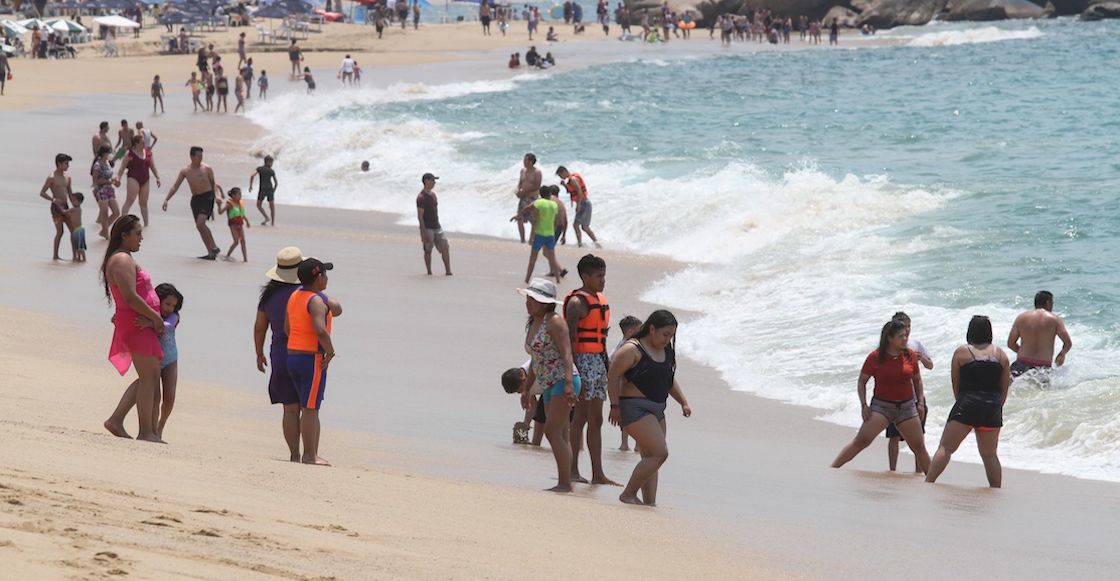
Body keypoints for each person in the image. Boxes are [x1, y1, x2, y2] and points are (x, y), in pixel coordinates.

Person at [607, 310, 691, 506]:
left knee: (650, 457)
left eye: (671, 335)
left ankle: (649, 504)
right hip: (635, 408)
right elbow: (613, 376)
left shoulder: (666, 350)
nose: (667, 339)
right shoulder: (632, 349)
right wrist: (614, 406)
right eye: (665, 334)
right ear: (651, 329)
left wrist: (683, 402)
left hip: (658, 410)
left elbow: (668, 380)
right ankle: (628, 493)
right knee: (660, 453)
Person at [831, 319, 931, 473]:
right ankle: (832, 469)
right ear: (890, 338)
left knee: (919, 447)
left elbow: (917, 381)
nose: (905, 339)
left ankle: (932, 481)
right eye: (901, 336)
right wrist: (864, 405)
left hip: (906, 407)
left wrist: (920, 403)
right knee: (862, 440)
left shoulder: (910, 355)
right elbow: (861, 382)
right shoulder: (875, 357)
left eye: (905, 335)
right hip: (881, 407)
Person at [101, 215, 166, 443]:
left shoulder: (124, 258)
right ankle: (146, 431)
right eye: (137, 233)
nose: (141, 238)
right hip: (137, 323)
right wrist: (155, 316)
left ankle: (117, 420)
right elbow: (130, 296)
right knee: (149, 377)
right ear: (124, 235)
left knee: (149, 376)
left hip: (139, 322)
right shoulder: (121, 260)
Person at [926, 316, 1010, 487]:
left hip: (968, 403)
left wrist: (962, 403)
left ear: (970, 331)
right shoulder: (1001, 355)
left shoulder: (962, 352)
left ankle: (929, 482)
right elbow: (1004, 388)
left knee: (946, 448)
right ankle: (995, 490)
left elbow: (955, 383)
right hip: (992, 406)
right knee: (990, 455)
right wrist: (996, 406)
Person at [519, 278, 581, 492]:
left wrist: (568, 384)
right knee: (560, 434)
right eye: (528, 298)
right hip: (547, 383)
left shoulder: (554, 321)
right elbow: (537, 359)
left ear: (547, 303)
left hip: (564, 381)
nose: (529, 302)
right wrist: (527, 388)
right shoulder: (533, 321)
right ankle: (565, 480)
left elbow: (566, 353)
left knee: (552, 432)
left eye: (534, 299)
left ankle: (565, 483)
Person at [564, 254, 617, 485]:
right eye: (598, 276)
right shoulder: (577, 304)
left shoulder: (600, 300)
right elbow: (569, 339)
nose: (603, 281)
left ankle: (598, 474)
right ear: (585, 277)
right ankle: (573, 469)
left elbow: (602, 339)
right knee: (580, 418)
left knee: (596, 420)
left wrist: (607, 365)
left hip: (597, 361)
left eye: (604, 276)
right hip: (582, 362)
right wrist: (574, 371)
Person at [286, 258, 343, 466]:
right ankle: (310, 455)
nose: (327, 278)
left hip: (292, 355)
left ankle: (308, 453)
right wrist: (330, 352)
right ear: (318, 278)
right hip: (311, 358)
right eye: (325, 275)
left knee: (305, 406)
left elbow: (287, 328)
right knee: (311, 408)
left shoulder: (295, 296)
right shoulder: (316, 302)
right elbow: (320, 330)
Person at [255, 247, 307, 461]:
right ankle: (309, 453)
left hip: (279, 355)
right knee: (308, 409)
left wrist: (259, 354)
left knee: (290, 409)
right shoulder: (305, 293)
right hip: (304, 353)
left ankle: (294, 454)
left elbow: (259, 327)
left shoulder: (268, 295)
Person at [885, 311, 934, 472]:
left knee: (918, 435)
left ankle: (918, 470)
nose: (906, 330)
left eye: (909, 326)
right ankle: (892, 469)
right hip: (894, 396)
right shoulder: (888, 346)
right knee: (893, 435)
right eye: (903, 326)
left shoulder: (915, 344)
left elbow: (930, 365)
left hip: (914, 396)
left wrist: (921, 358)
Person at [163, 146, 225, 260]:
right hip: (196, 199)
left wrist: (217, 196)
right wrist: (167, 199)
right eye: (198, 156)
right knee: (199, 226)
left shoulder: (207, 168)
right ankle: (211, 253)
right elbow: (175, 186)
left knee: (200, 223)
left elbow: (213, 184)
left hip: (207, 196)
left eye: (202, 156)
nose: (200, 158)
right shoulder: (185, 171)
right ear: (191, 156)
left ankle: (214, 246)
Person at [1007, 290, 1072, 379]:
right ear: (1048, 302)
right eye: (1052, 303)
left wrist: (1023, 353)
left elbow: (1010, 343)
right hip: (1042, 368)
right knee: (1042, 393)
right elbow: (1068, 343)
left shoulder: (1021, 318)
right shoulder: (1055, 320)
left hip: (1021, 364)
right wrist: (1062, 354)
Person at [513, 186, 565, 284]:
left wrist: (518, 215)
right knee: (552, 258)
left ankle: (527, 279)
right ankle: (558, 280)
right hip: (550, 235)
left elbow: (527, 208)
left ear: (540, 194)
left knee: (533, 259)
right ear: (550, 194)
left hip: (539, 234)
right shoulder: (554, 205)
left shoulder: (539, 202)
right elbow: (557, 222)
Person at [611, 315, 643, 451]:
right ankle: (633, 444)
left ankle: (625, 443)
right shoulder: (628, 346)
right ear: (630, 332)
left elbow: (610, 359)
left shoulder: (621, 344)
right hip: (625, 386)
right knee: (633, 416)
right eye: (640, 329)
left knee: (626, 416)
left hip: (621, 386)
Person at [116, 135, 162, 227]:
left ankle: (146, 225)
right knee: (130, 201)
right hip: (133, 178)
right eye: (142, 143)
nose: (144, 144)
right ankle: (123, 223)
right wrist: (118, 178)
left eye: (144, 142)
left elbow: (153, 166)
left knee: (144, 203)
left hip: (145, 179)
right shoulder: (129, 154)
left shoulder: (148, 152)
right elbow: (122, 167)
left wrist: (158, 177)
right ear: (136, 144)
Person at [39, 153, 78, 261]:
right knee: (60, 232)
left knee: (73, 231)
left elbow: (70, 194)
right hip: (56, 208)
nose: (68, 166)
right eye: (66, 163)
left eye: (68, 163)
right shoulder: (51, 177)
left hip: (66, 206)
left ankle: (74, 256)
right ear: (59, 164)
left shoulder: (67, 177)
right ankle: (55, 256)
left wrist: (75, 205)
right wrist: (53, 199)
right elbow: (42, 192)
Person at [416, 173, 452, 276]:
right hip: (427, 228)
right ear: (426, 181)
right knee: (428, 250)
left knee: (445, 247)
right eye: (432, 180)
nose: (434, 183)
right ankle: (429, 271)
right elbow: (420, 216)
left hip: (437, 226)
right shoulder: (421, 197)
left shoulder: (433, 195)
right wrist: (423, 232)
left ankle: (448, 271)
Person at [556, 166, 600, 248]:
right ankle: (596, 243)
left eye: (560, 175)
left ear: (564, 172)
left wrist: (578, 205)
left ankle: (581, 244)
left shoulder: (572, 179)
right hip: (585, 203)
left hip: (584, 204)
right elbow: (572, 191)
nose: (560, 177)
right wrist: (565, 185)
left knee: (576, 225)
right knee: (584, 226)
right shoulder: (571, 180)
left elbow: (579, 192)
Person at [502, 360, 545, 446]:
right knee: (540, 415)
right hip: (547, 392)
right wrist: (525, 424)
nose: (520, 393)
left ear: (523, 380)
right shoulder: (521, 379)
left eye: (519, 391)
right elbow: (532, 404)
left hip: (559, 386)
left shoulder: (534, 367)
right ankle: (536, 446)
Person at [90, 145, 120, 239]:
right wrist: (108, 181)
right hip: (100, 190)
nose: (109, 155)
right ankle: (106, 234)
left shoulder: (107, 162)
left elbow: (109, 176)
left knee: (116, 212)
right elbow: (95, 181)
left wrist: (114, 180)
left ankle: (104, 230)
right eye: (108, 153)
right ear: (104, 153)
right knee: (104, 213)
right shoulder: (97, 165)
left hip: (109, 189)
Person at [514, 152, 542, 243]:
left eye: (525, 160)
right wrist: (518, 190)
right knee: (519, 218)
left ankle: (531, 239)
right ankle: (522, 239)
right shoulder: (522, 170)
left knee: (533, 220)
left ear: (530, 161)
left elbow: (537, 186)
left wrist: (525, 192)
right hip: (523, 198)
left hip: (532, 198)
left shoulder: (537, 172)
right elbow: (520, 182)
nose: (523, 162)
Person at [220, 187, 250, 262]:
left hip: (240, 223)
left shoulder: (240, 203)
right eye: (238, 194)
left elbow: (241, 214)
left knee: (243, 241)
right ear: (233, 195)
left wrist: (247, 221)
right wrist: (219, 205)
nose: (240, 196)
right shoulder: (229, 204)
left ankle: (245, 259)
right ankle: (227, 255)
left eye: (241, 194)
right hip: (233, 224)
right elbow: (220, 212)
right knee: (236, 241)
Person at [250, 156, 279, 226]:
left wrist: (250, 186)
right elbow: (276, 183)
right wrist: (274, 191)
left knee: (258, 205)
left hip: (262, 189)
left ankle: (266, 217)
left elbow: (252, 176)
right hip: (269, 189)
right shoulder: (271, 171)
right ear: (268, 162)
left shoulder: (260, 169)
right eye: (272, 162)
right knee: (272, 206)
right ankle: (272, 222)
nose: (272, 164)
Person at [63, 192, 88, 263]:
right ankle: (79, 258)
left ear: (80, 202)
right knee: (79, 245)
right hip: (78, 229)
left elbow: (65, 212)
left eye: (74, 200)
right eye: (72, 200)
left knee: (80, 246)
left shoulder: (75, 209)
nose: (72, 202)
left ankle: (83, 259)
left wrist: (58, 206)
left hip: (77, 230)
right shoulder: (77, 209)